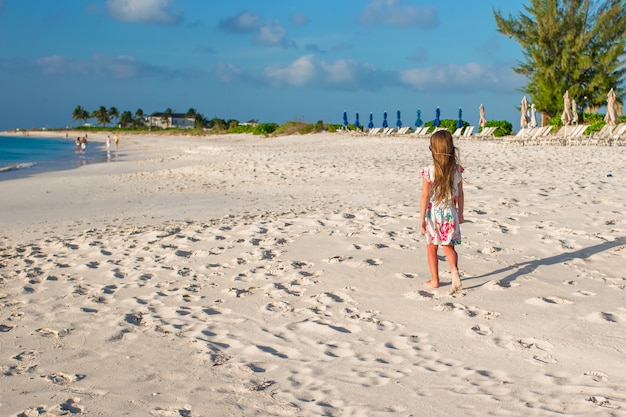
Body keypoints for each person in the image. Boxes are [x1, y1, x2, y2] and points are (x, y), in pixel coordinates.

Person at [420, 129, 464, 292]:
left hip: (433, 214)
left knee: (432, 247)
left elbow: (425, 195)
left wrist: (422, 219)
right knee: (448, 246)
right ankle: (454, 270)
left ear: (432, 149)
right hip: (450, 213)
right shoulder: (456, 170)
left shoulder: (428, 171)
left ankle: (435, 280)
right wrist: (460, 213)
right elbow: (460, 194)